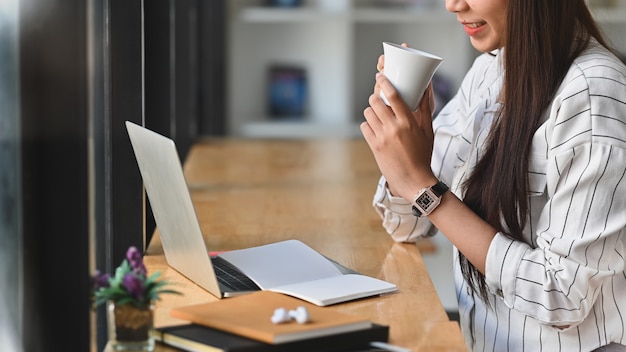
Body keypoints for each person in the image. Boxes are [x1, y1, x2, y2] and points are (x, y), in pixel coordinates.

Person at [361, 0, 626, 351]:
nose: (453, 5)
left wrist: (424, 188)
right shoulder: (491, 71)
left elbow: (561, 296)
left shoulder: (594, 95)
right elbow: (407, 226)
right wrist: (407, 145)